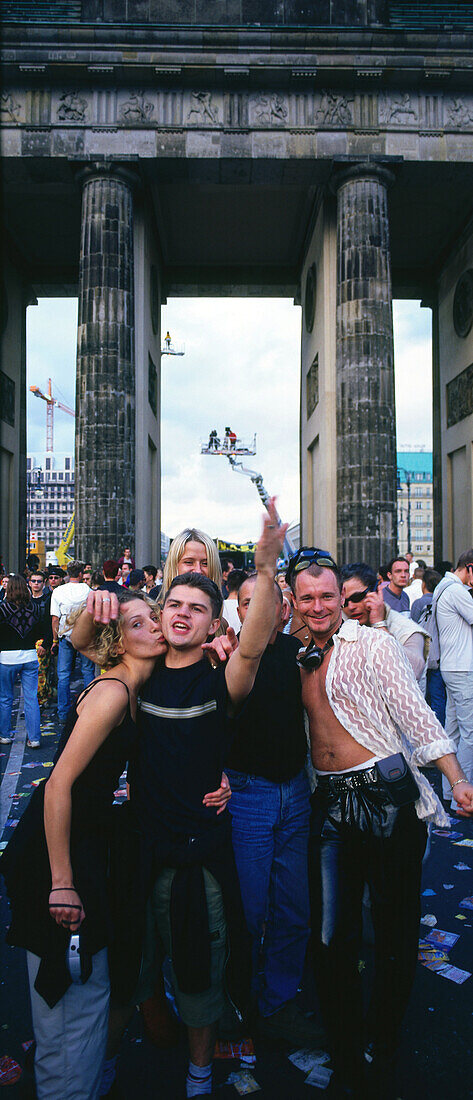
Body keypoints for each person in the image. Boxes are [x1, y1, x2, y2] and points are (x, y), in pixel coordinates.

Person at [73, 501, 286, 1098]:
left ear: (216, 622)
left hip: (200, 855)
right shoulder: (137, 673)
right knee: (129, 968)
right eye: (176, 605)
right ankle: (107, 1064)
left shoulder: (224, 677)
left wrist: (265, 570)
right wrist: (99, 602)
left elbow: (255, 645)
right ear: (161, 612)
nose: (184, 614)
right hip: (140, 849)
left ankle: (198, 1073)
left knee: (200, 972)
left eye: (199, 608)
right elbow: (84, 644)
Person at [287, 547, 473, 1099]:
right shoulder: (293, 654)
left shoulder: (372, 644)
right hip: (329, 805)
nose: (319, 607)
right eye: (308, 598)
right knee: (329, 939)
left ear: (342, 599)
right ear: (293, 602)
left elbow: (415, 713)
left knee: (393, 936)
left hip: (386, 798)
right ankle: (346, 1052)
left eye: (329, 597)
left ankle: (384, 1042)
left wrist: (456, 778)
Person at [1, 591, 167, 1099]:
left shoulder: (133, 681)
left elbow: (80, 642)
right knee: (68, 995)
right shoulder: (114, 691)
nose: (157, 626)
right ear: (119, 640)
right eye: (140, 623)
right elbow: (57, 785)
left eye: (155, 616)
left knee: (79, 991)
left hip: (83, 841)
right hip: (56, 848)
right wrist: (63, 882)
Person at [225, 573, 322, 1047]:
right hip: (248, 797)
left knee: (292, 908)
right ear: (239, 611)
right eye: (248, 602)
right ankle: (237, 1002)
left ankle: (278, 1002)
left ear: (286, 611)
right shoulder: (224, 656)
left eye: (270, 602)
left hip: (295, 793)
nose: (259, 609)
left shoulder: (296, 654)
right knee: (246, 911)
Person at [341, 563, 430, 686]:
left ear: (377, 590)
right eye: (344, 602)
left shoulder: (406, 629)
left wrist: (379, 625)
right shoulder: (339, 625)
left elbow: (414, 671)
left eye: (357, 597)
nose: (351, 607)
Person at [432, 548, 473, 810]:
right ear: (469, 567)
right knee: (470, 734)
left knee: (454, 731)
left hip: (451, 666)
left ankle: (450, 791)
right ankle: (466, 795)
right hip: (463, 668)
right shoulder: (457, 590)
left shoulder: (443, 586)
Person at [0, 574, 44, 748]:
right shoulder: (35, 608)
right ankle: (34, 738)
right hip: (30, 656)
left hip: (7, 657)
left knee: (5, 698)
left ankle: (4, 735)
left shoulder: (2, 609)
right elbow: (41, 631)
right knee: (31, 698)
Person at [50, 561, 95, 723]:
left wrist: (55, 640)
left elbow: (55, 619)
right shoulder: (89, 591)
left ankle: (63, 713)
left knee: (63, 676)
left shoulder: (59, 592)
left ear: (68, 573)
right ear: (82, 574)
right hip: (85, 637)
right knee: (88, 672)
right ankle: (89, 709)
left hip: (65, 636)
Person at [159, 528, 223, 600]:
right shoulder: (153, 606)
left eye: (205, 563)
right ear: (174, 565)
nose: (198, 570)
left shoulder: (228, 609)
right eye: (189, 562)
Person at [29, 571, 54, 709]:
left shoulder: (48, 599)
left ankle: (41, 700)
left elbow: (51, 623)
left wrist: (46, 643)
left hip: (42, 641)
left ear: (43, 583)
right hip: (28, 644)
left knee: (41, 673)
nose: (36, 584)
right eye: (34, 581)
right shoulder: (26, 600)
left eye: (39, 581)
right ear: (30, 583)